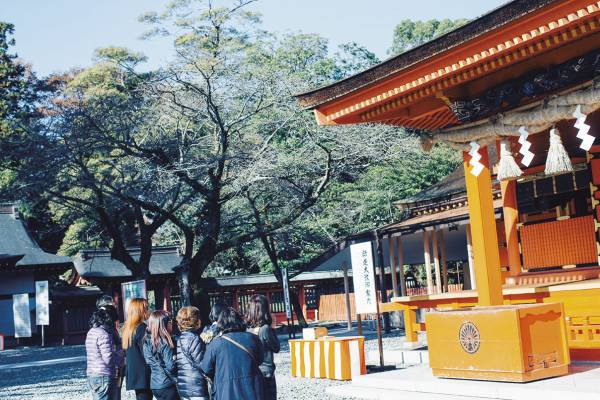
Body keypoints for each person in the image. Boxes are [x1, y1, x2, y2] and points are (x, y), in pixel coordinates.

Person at [200, 307, 264, 400]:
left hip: (226, 391)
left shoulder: (216, 343)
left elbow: (206, 368)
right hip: (252, 387)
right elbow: (260, 360)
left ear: (221, 323)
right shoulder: (253, 338)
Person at [245, 294, 280, 400]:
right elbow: (276, 347)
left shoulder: (246, 329)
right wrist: (273, 327)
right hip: (265, 371)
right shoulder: (265, 329)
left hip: (251, 371)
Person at [86, 308, 124, 400]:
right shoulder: (103, 334)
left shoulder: (91, 332)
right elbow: (108, 359)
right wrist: (120, 354)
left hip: (92, 374)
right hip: (103, 375)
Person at [143, 310, 179, 400]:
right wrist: (176, 359)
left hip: (155, 384)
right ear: (163, 324)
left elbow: (149, 361)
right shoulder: (164, 342)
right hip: (167, 384)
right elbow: (170, 366)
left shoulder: (147, 341)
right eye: (170, 321)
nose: (172, 324)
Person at [175, 306, 208, 400]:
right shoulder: (194, 338)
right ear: (194, 320)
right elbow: (201, 363)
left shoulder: (181, 338)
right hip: (196, 385)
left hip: (184, 384)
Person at [122, 298, 152, 400]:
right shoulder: (142, 328)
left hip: (134, 372)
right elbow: (146, 353)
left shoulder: (127, 328)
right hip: (144, 373)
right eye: (146, 308)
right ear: (140, 311)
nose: (148, 310)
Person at [96, 295, 124, 399]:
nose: (115, 307)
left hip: (114, 367)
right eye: (112, 305)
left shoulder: (109, 324)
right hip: (107, 369)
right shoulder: (103, 326)